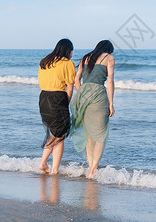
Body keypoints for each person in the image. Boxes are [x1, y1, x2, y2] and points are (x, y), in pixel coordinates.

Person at [71, 40, 115, 178]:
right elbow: (110, 81)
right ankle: (94, 169)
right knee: (101, 134)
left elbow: (76, 80)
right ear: (108, 49)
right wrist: (111, 104)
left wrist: (83, 93)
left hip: (83, 96)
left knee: (90, 134)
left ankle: (91, 166)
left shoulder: (85, 58)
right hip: (99, 96)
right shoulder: (109, 58)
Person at [38, 38, 75, 174]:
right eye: (71, 51)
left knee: (56, 133)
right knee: (60, 135)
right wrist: (66, 103)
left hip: (43, 98)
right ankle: (53, 169)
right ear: (67, 51)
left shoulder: (44, 62)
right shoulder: (68, 63)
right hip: (58, 99)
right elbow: (70, 88)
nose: (72, 54)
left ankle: (45, 164)